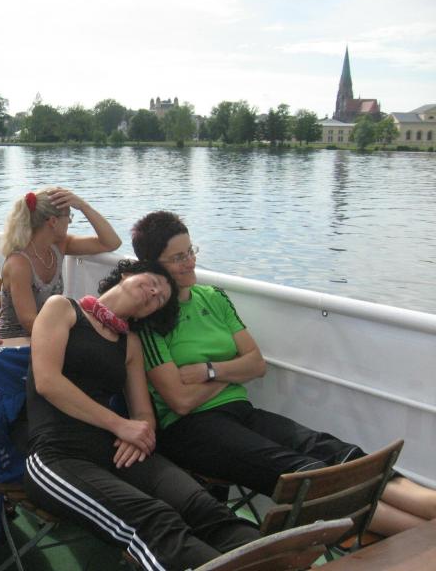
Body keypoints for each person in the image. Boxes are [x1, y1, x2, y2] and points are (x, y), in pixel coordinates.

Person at [131, 210, 436, 537]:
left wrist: (209, 371)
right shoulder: (150, 320)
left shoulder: (214, 298)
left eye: (191, 251)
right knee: (302, 472)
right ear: (153, 265)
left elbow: (256, 364)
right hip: (192, 429)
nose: (190, 262)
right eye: (178, 257)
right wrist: (232, 374)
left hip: (240, 412)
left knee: (332, 450)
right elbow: (180, 401)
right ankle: (420, 536)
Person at [24, 259, 260, 570]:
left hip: (115, 450)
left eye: (160, 298)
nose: (154, 292)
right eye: (153, 282)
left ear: (145, 315)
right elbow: (47, 382)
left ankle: (271, 562)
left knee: (201, 503)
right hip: (58, 455)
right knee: (154, 519)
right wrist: (120, 426)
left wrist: (139, 432)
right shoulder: (62, 309)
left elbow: (143, 413)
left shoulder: (130, 343)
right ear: (127, 275)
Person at [0, 188, 121, 338]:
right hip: (13, 340)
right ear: (53, 221)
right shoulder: (19, 264)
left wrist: (84, 206)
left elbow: (111, 242)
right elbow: (29, 321)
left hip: (49, 336)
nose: (70, 221)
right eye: (69, 216)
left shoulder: (59, 246)